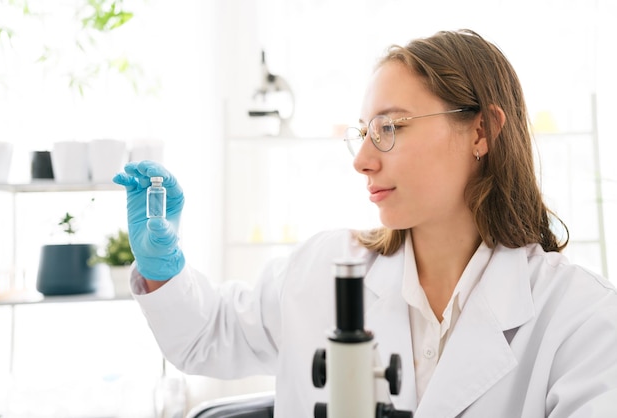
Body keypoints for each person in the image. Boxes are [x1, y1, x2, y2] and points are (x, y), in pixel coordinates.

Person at [113, 29, 617, 417]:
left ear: (481, 131)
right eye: (363, 132)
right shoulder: (323, 269)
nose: (362, 160)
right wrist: (163, 264)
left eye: (390, 128)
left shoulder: (579, 318)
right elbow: (208, 338)